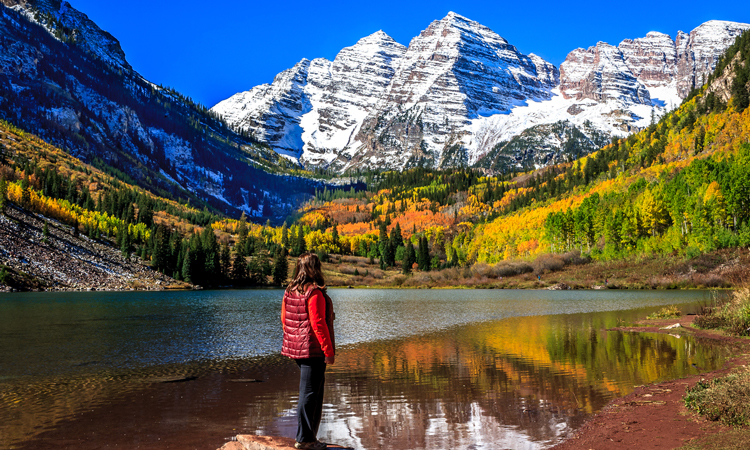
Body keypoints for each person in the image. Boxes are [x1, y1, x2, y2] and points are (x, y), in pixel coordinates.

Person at [281, 253, 335, 450]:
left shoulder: (290, 290)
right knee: (310, 394)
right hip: (312, 351)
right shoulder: (314, 293)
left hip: (298, 349)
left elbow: (284, 319)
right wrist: (328, 351)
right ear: (315, 268)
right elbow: (318, 324)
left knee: (312, 393)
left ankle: (310, 437)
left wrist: (293, 339)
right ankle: (304, 440)